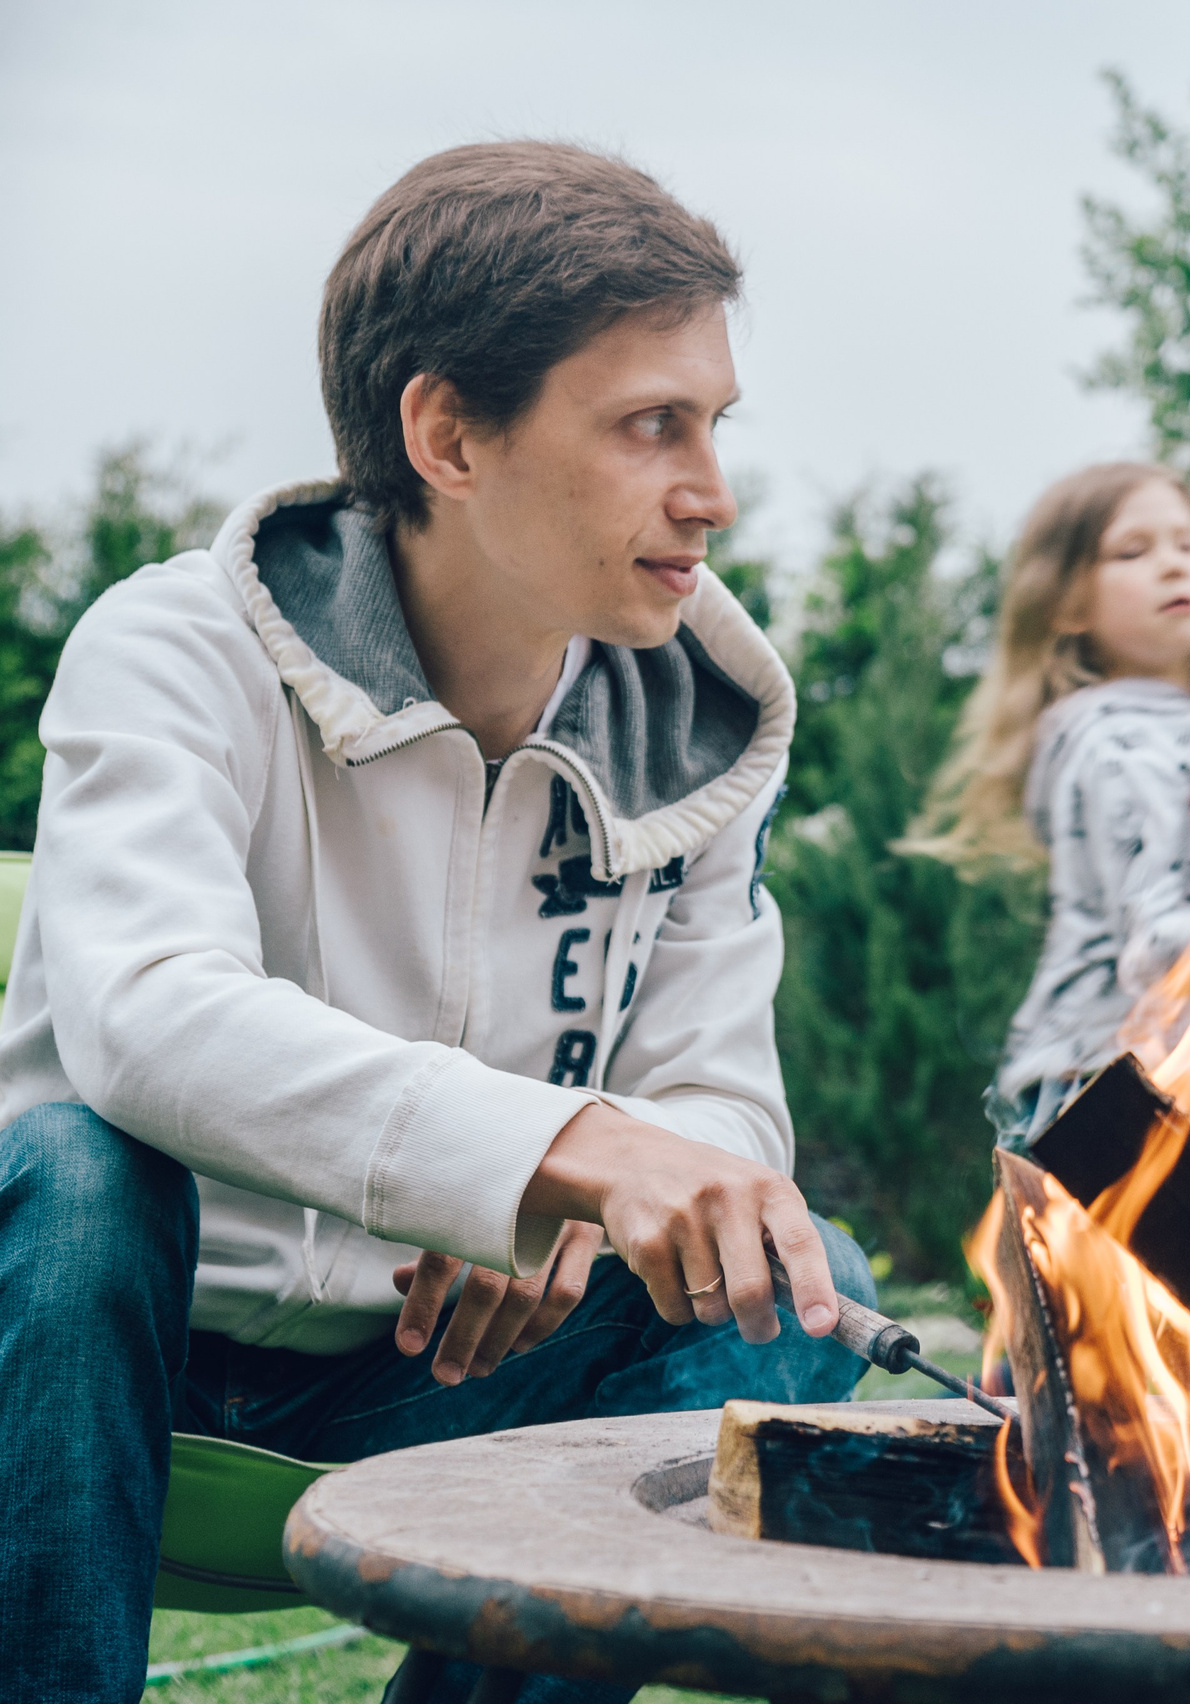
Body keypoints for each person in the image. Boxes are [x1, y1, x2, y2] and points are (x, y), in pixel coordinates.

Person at [0, 142, 876, 1704]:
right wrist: (552, 1150)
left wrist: (575, 1197)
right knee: (74, 1170)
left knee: (789, 1288)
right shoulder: (172, 646)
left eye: (716, 424)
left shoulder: (704, 736)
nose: (714, 494)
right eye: (651, 425)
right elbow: (141, 1018)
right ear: (448, 437)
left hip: (425, 1383)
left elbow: (726, 1108)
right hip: (98, 1352)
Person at [903, 463, 1190, 1147]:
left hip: (1183, 1075)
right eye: (1133, 551)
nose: (1173, 565)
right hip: (1094, 1084)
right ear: (1065, 604)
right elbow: (1153, 947)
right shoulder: (1112, 746)